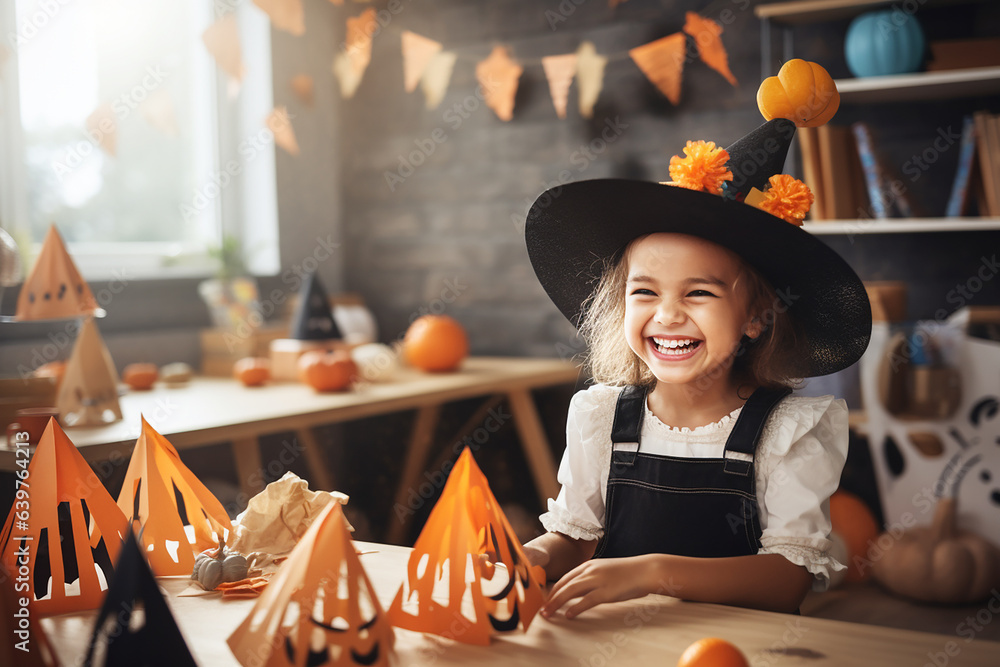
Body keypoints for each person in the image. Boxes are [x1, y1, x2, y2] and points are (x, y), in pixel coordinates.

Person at [521, 113, 872, 619]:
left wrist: (652, 572)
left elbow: (785, 583)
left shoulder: (787, 432)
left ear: (755, 317)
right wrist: (532, 556)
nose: (667, 315)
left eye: (699, 292)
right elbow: (576, 540)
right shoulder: (600, 418)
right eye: (645, 291)